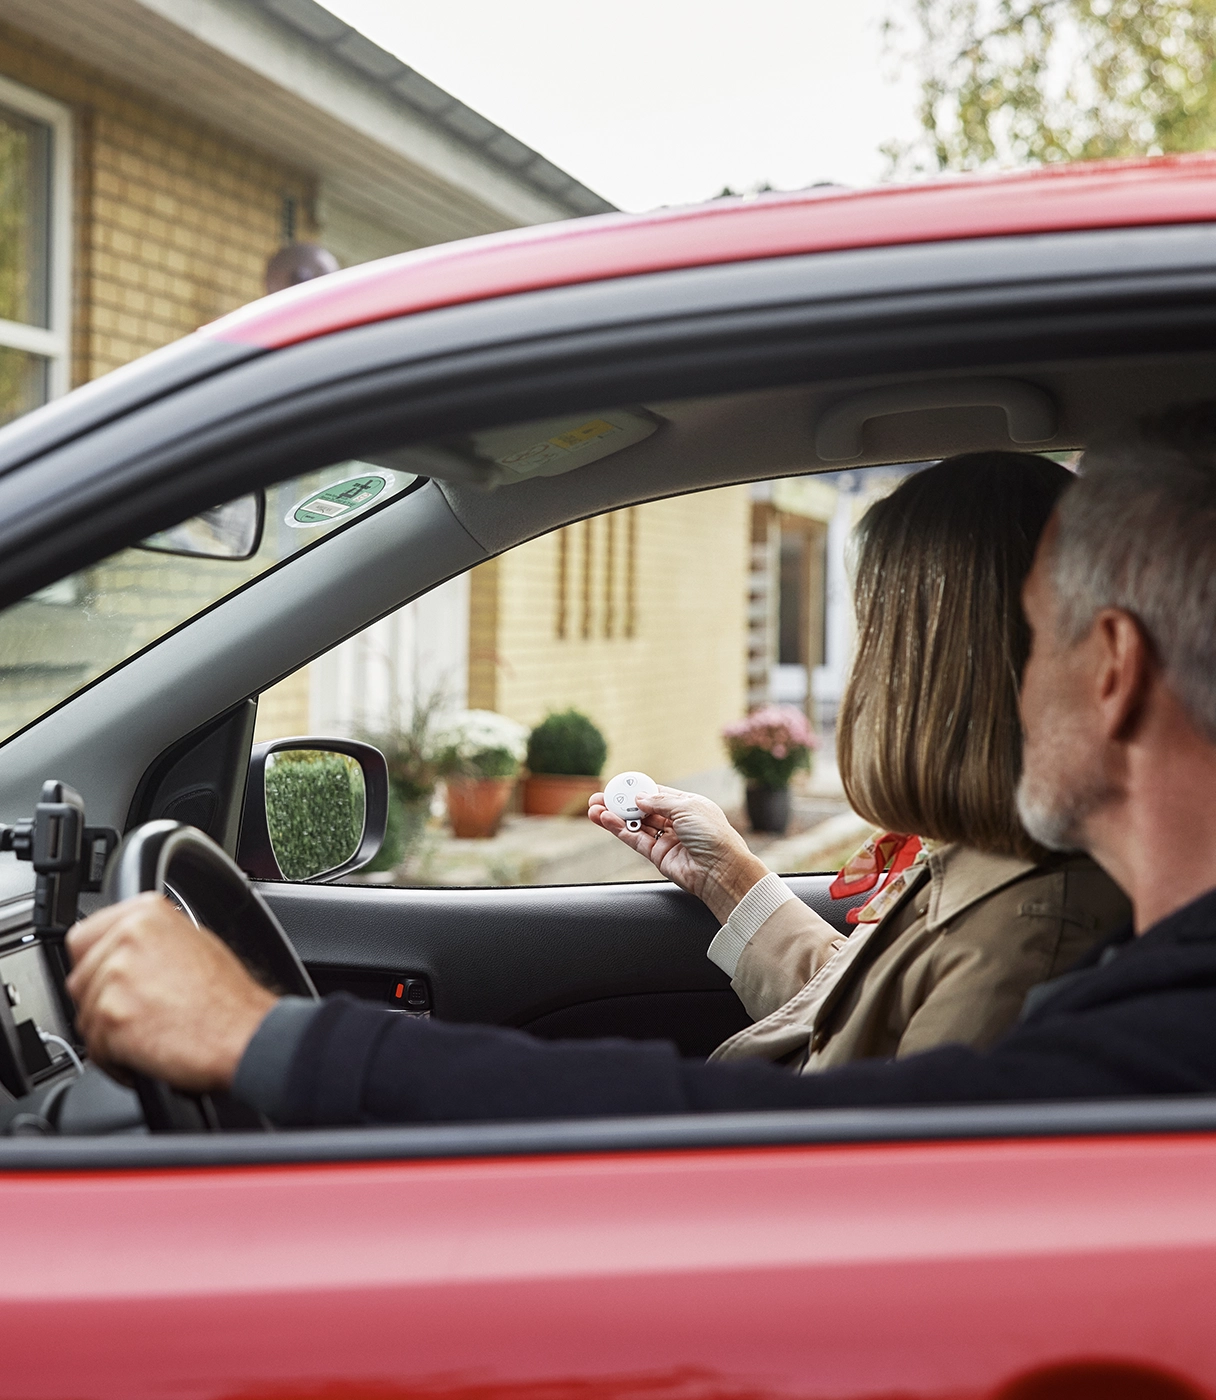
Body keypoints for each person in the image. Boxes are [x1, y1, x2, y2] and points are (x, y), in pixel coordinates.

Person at [62, 408, 1216, 1123]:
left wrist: (271, 1039)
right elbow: (867, 1030)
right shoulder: (1085, 943)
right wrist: (733, 883)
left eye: (1035, 629)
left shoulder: (1108, 988)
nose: (1003, 674)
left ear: (1108, 663)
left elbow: (823, 1148)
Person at [588, 453, 1128, 1075]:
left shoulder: (1025, 941)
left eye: (882, 634)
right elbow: (865, 1016)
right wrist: (728, 878)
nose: (863, 675)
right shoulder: (986, 862)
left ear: (948, 666)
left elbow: (876, 1145)